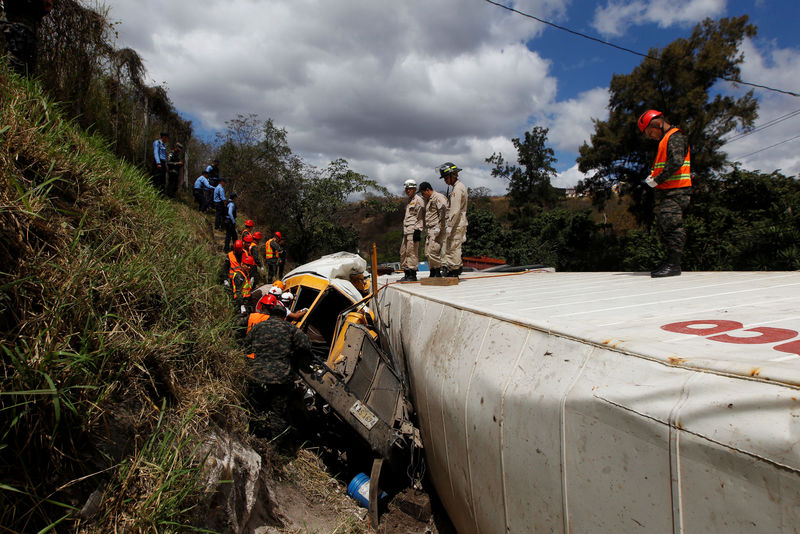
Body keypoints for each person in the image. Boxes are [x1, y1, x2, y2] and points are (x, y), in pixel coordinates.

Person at [244, 298, 314, 439]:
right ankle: (274, 447)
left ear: (271, 314)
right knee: (278, 414)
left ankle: (254, 437)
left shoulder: (258, 327)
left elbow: (246, 345)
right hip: (281, 379)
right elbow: (306, 346)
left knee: (256, 408)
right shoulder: (291, 329)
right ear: (284, 316)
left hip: (257, 375)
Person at [638, 109, 692, 278]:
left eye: (649, 132)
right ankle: (671, 262)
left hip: (676, 191)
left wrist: (658, 179)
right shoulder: (666, 139)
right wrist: (653, 177)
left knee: (672, 224)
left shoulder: (675, 137)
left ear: (657, 124)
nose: (650, 136)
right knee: (664, 225)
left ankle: (674, 265)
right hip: (669, 191)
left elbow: (676, 161)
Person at [0, 0, 52, 76]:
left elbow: (47, 6)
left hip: (29, 32)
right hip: (14, 29)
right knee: (13, 71)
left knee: (27, 74)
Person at [439, 162, 468, 277]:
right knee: (453, 246)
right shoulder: (458, 187)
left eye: (446, 177)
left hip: (456, 223)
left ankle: (454, 271)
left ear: (453, 175)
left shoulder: (457, 189)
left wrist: (449, 226)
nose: (445, 180)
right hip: (458, 222)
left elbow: (454, 210)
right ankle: (454, 269)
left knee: (453, 246)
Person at [419, 182, 448, 277]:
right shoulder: (429, 200)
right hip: (430, 229)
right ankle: (432, 270)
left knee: (433, 251)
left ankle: (438, 271)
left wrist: (439, 227)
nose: (423, 195)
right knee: (427, 252)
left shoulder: (438, 197)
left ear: (428, 190)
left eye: (423, 193)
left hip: (436, 229)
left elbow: (443, 212)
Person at [398, 179, 424, 282]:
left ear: (415, 189)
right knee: (403, 252)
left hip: (413, 230)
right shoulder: (409, 201)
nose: (408, 191)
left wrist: (418, 230)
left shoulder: (418, 200)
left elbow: (421, 217)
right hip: (406, 230)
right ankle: (407, 272)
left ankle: (412, 274)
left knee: (411, 252)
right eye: (406, 189)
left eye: (410, 189)